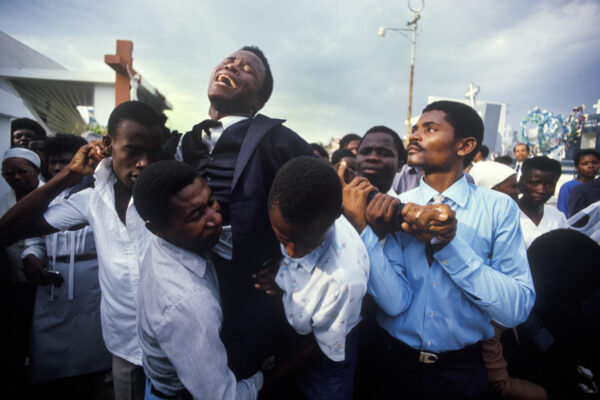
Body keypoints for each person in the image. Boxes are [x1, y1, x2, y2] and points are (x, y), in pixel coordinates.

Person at [344, 100, 535, 399]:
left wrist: (448, 245)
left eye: (430, 129)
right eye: (415, 129)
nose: (415, 136)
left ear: (465, 145)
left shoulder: (498, 208)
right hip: (395, 367)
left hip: (463, 372)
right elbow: (395, 303)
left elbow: (515, 309)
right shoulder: (399, 206)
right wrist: (364, 231)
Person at [0, 101, 164, 400]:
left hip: (172, 343)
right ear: (108, 145)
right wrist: (70, 175)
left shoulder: (171, 194)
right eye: (132, 150)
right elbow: (9, 231)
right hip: (124, 345)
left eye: (153, 153)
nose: (144, 163)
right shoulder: (91, 199)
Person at [173, 46, 313, 383]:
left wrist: (289, 264)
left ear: (258, 103)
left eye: (247, 68)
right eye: (229, 60)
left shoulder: (282, 142)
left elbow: (322, 212)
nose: (234, 66)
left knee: (238, 376)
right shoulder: (184, 142)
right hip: (185, 287)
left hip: (247, 298)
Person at [133, 160, 265, 400]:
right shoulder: (187, 302)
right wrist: (266, 376)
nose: (215, 217)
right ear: (157, 229)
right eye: (195, 215)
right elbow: (223, 397)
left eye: (211, 200)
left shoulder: (173, 238)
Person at [267, 156, 368, 399]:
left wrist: (269, 379)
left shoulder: (344, 278)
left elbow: (314, 346)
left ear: (335, 218)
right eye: (282, 238)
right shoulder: (301, 221)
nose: (291, 252)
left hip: (326, 352)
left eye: (304, 243)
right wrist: (280, 277)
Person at [21, 134, 111, 397]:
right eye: (54, 163)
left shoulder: (96, 194)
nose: (59, 168)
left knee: (90, 362)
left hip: (91, 285)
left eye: (65, 162)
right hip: (52, 288)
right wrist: (32, 257)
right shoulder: (42, 196)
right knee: (49, 368)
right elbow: (32, 239)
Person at [469, 160, 547, 399]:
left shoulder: (507, 216)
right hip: (489, 316)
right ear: (490, 188)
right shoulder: (473, 226)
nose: (517, 191)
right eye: (511, 186)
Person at [0, 147, 43, 393]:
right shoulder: (3, 202)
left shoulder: (54, 197)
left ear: (37, 171)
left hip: (45, 282)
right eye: (8, 173)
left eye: (22, 172)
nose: (15, 177)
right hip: (13, 283)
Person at [518, 156, 568, 248]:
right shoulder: (507, 215)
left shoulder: (557, 217)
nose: (541, 190)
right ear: (521, 181)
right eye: (535, 183)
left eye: (549, 185)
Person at [356, 125, 405, 195]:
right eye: (365, 152)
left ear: (399, 165)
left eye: (384, 154)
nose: (372, 157)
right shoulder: (337, 199)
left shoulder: (407, 204)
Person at [558, 149, 600, 216]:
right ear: (577, 168)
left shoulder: (597, 186)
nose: (591, 166)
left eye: (595, 163)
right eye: (585, 163)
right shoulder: (568, 187)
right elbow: (563, 212)